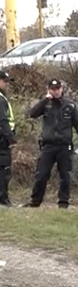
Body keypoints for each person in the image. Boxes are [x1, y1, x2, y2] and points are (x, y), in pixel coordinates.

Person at [25, 79, 78, 208]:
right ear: (49, 89)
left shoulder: (70, 105)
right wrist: (44, 100)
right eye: (53, 89)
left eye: (57, 89)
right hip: (48, 145)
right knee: (41, 174)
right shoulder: (45, 104)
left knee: (65, 175)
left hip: (64, 145)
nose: (55, 91)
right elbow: (32, 114)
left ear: (61, 89)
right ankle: (35, 201)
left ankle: (63, 202)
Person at [0, 71, 14, 206]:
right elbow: (3, 121)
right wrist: (10, 138)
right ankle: (3, 199)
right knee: (4, 169)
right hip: (2, 139)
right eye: (5, 81)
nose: (6, 84)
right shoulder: (0, 99)